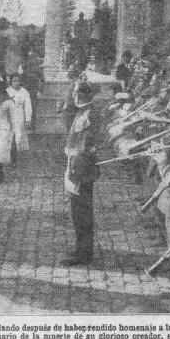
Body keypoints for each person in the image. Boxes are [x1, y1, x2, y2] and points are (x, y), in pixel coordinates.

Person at [63, 82, 101, 266]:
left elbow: (84, 147)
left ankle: (83, 253)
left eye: (76, 93)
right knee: (79, 211)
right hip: (78, 166)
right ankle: (82, 248)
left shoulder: (90, 114)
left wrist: (74, 171)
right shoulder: (84, 111)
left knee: (81, 212)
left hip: (82, 169)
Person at [7, 73, 32, 161]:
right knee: (9, 136)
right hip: (9, 116)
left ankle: (15, 156)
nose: (16, 83)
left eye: (18, 81)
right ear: (11, 82)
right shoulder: (7, 91)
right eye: (14, 81)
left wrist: (28, 119)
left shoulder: (24, 92)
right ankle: (10, 156)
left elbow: (28, 106)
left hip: (20, 116)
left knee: (18, 136)